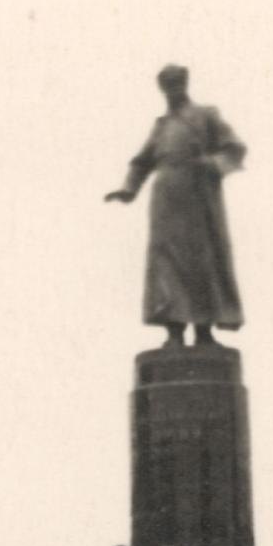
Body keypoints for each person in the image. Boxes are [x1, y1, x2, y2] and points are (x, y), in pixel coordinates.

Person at [104, 64, 246, 349]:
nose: (173, 89)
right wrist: (128, 189)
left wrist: (212, 164)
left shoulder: (206, 115)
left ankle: (204, 333)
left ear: (186, 83)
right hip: (166, 200)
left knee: (202, 261)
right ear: (162, 88)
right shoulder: (162, 126)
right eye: (168, 84)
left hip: (198, 197)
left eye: (177, 83)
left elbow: (234, 147)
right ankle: (174, 332)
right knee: (167, 264)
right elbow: (142, 161)